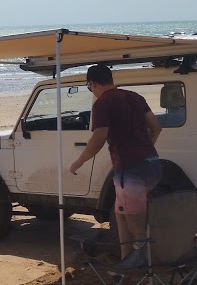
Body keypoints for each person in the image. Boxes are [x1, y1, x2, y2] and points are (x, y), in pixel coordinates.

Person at [69, 64, 163, 261]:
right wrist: (145, 149)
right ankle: (126, 261)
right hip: (153, 164)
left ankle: (144, 277)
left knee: (137, 228)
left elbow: (98, 138)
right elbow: (156, 127)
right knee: (120, 214)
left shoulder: (103, 103)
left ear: (92, 83)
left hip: (130, 171)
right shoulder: (135, 97)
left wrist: (79, 161)